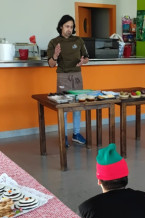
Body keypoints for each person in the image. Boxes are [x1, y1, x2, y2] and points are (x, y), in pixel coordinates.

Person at [47, 14, 89, 147]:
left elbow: (87, 58)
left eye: (71, 27)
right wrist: (55, 55)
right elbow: (51, 64)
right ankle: (63, 135)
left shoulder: (78, 40)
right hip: (63, 77)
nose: (69, 29)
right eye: (67, 26)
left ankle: (76, 134)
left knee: (78, 106)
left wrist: (84, 61)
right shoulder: (54, 42)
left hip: (77, 76)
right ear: (61, 27)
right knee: (64, 107)